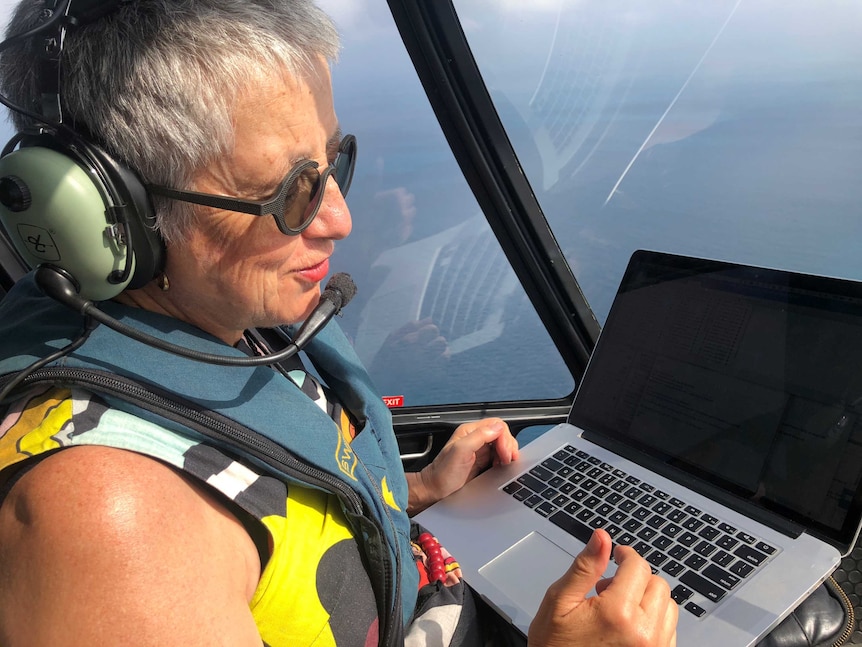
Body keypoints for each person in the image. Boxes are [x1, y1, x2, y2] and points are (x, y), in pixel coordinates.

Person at [0, 1, 678, 645]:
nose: (339, 220)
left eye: (332, 162)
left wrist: (413, 492)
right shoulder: (111, 524)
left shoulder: (230, 324)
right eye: (289, 191)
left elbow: (281, 507)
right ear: (112, 211)